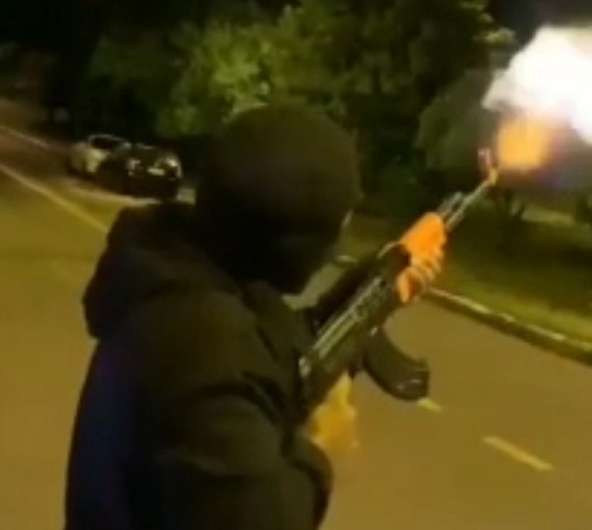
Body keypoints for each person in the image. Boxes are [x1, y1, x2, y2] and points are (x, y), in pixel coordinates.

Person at [64, 103, 445, 530]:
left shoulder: (179, 284)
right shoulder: (208, 357)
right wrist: (318, 451)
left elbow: (271, 351)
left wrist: (367, 292)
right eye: (337, 224)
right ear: (295, 242)